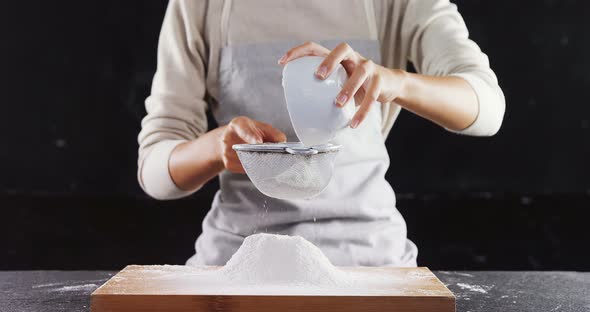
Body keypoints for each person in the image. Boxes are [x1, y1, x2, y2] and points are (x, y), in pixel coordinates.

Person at [138, 0, 505, 267]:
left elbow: (487, 107)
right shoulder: (199, 6)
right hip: (238, 261)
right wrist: (215, 149)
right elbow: (155, 172)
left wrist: (396, 82)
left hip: (372, 260)